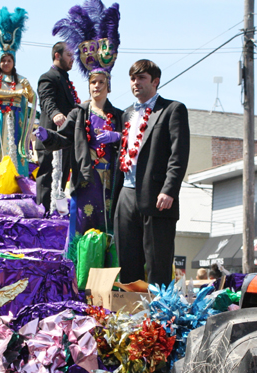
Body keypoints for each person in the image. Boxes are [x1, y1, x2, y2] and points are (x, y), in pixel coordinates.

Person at [35, 1, 122, 260]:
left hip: (111, 183)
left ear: (108, 86)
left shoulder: (119, 115)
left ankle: (108, 281)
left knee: (109, 233)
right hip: (87, 180)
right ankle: (79, 282)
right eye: (93, 82)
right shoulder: (79, 112)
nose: (96, 86)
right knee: (84, 232)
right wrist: (47, 136)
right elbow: (64, 138)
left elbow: (133, 142)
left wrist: (118, 136)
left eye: (101, 82)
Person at [111, 59, 190, 286]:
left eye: (141, 78)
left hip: (157, 195)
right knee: (127, 260)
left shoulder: (172, 109)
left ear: (155, 81)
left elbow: (179, 154)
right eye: (133, 78)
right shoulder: (127, 114)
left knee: (158, 263)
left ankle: (158, 317)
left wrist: (169, 190)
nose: (136, 83)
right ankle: (132, 316)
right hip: (126, 194)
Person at [0, 7, 35, 177]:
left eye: (9, 60)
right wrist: (16, 94)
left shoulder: (21, 79)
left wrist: (29, 91)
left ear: (13, 62)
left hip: (16, 119)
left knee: (15, 153)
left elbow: (30, 98)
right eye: (3, 60)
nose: (6, 63)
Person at [35, 41, 79, 212]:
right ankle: (43, 217)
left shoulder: (65, 79)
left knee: (60, 181)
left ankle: (56, 217)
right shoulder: (48, 77)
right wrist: (55, 114)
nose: (72, 59)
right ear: (57, 55)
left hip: (64, 139)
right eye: (69, 55)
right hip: (50, 139)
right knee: (47, 179)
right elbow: (46, 100)